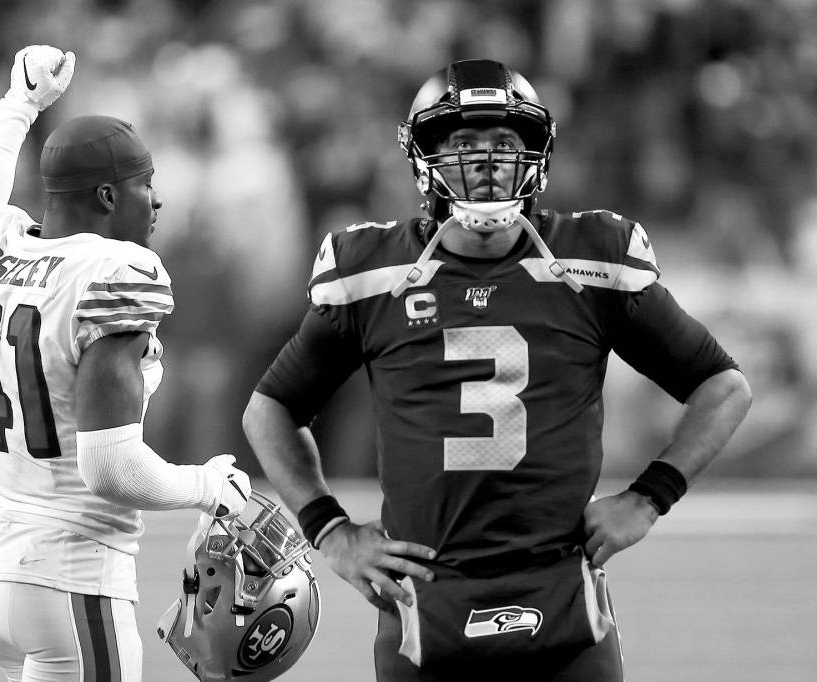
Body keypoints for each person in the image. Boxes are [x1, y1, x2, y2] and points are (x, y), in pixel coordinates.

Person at [242, 59, 752, 681]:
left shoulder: (593, 261)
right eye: (463, 143)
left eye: (505, 143)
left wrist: (649, 498)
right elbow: (270, 408)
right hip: (424, 612)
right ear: (424, 157)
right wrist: (331, 531)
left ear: (536, 154)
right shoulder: (371, 273)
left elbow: (723, 387)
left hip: (566, 605)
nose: (486, 162)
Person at [0, 45, 251, 682]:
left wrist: (18, 105)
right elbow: (108, 467)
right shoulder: (111, 272)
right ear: (108, 195)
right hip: (74, 574)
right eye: (145, 185)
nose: (157, 202)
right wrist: (207, 487)